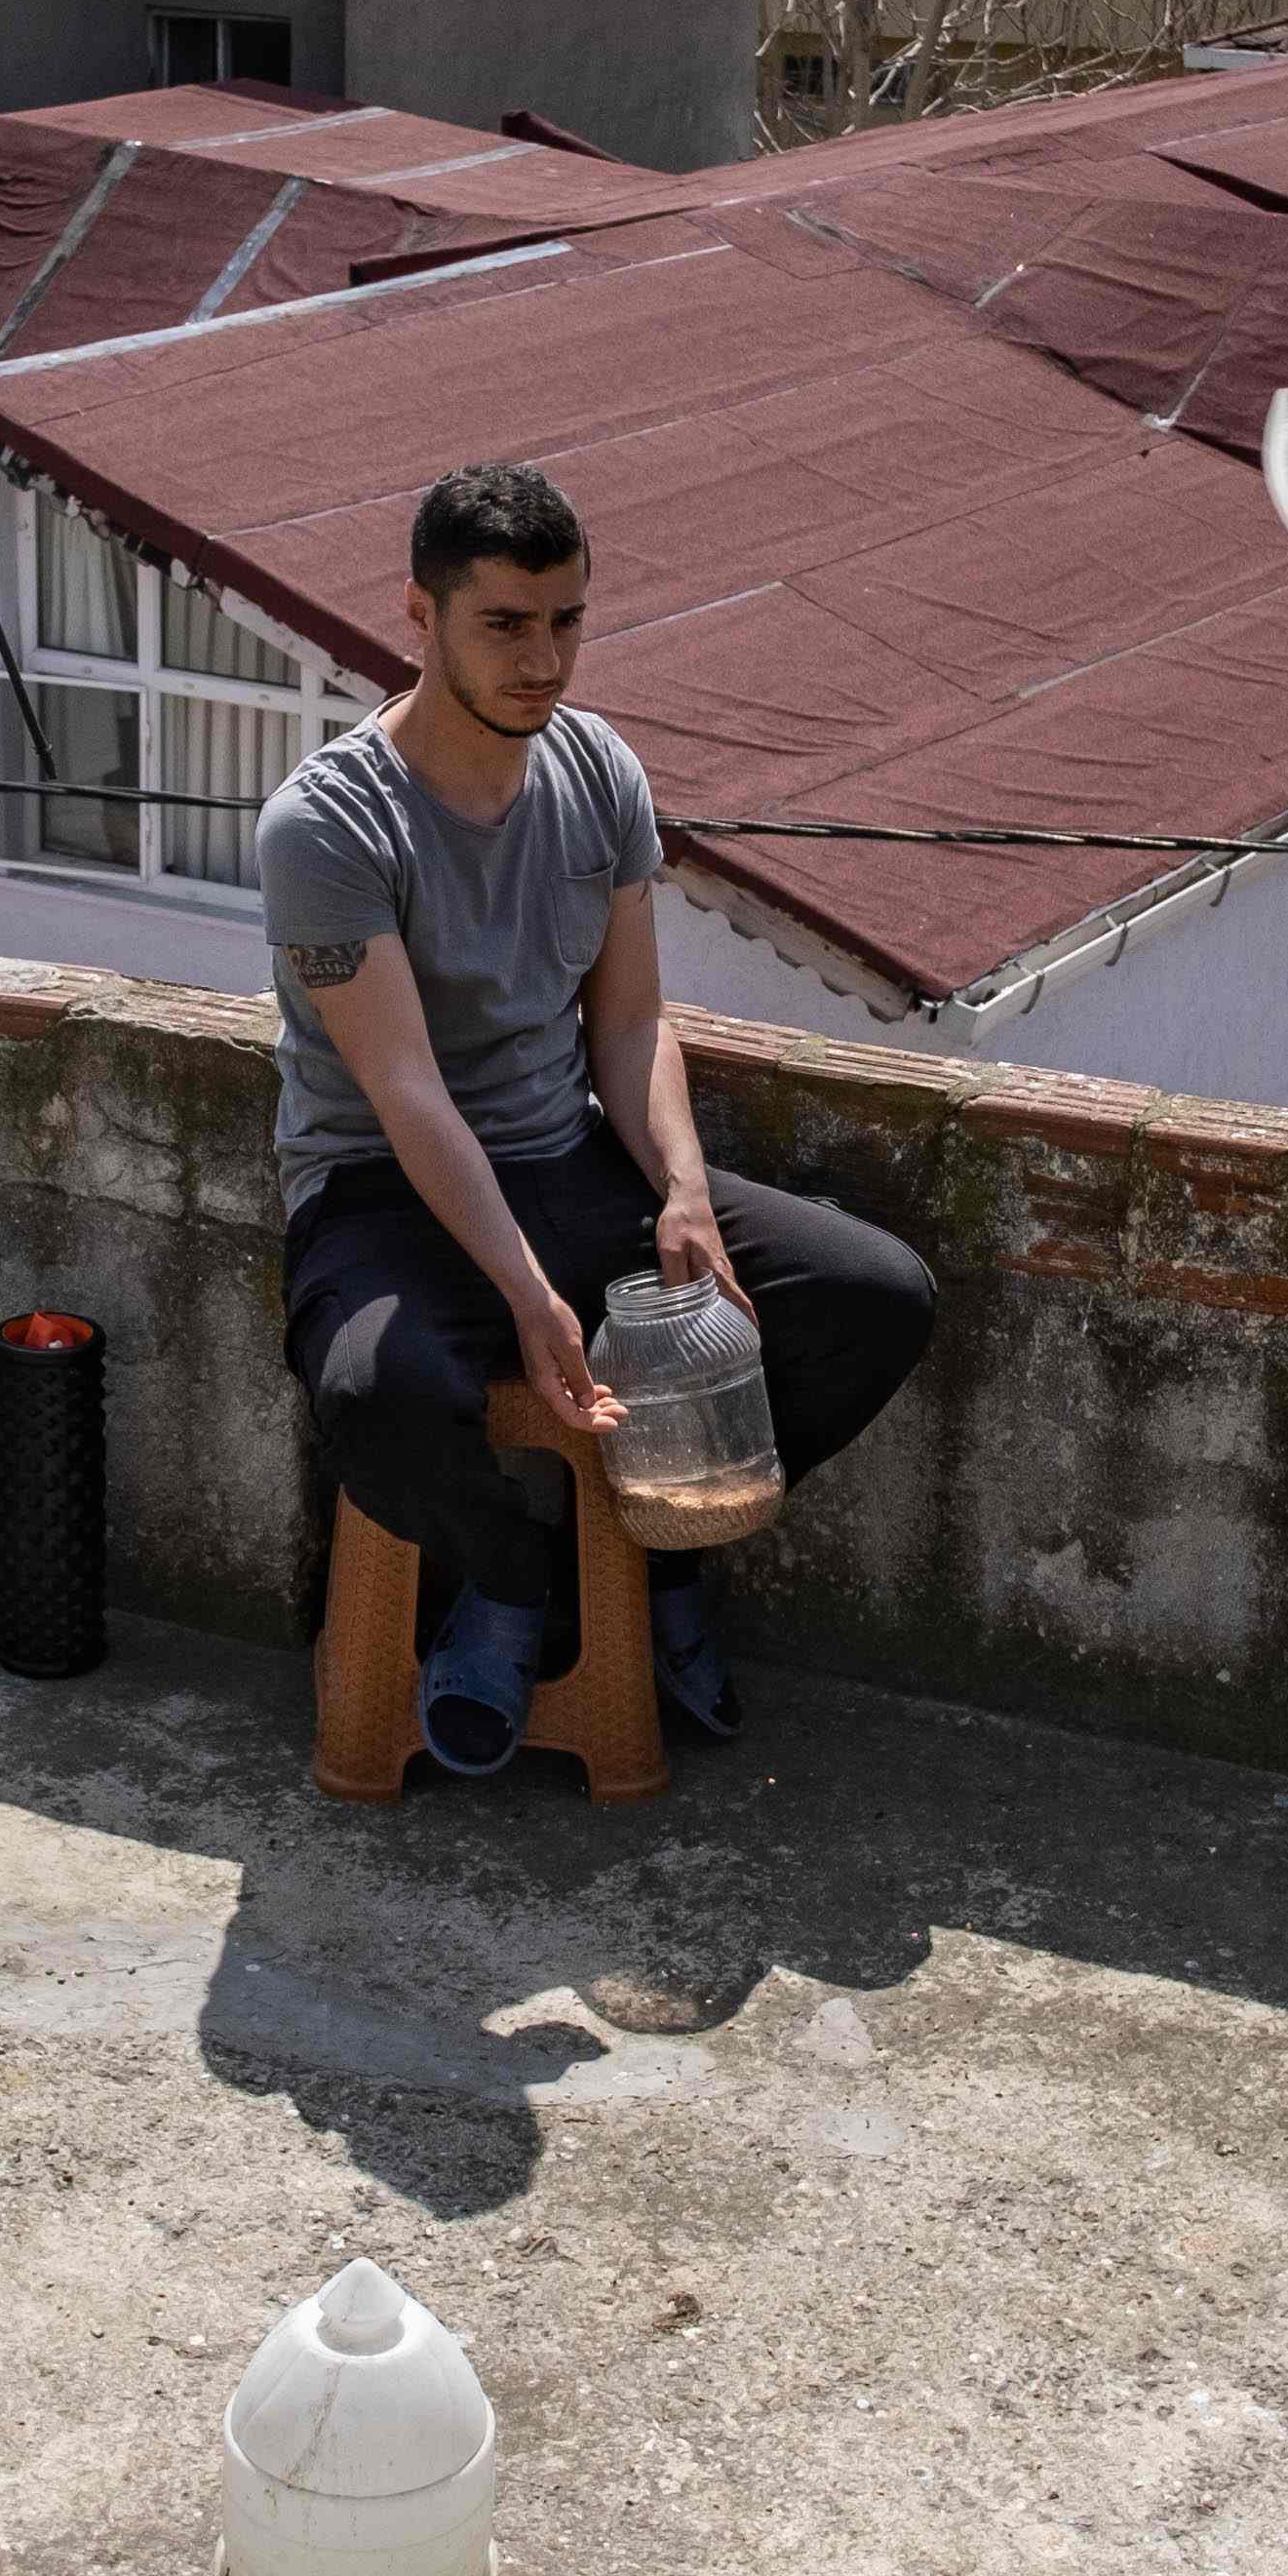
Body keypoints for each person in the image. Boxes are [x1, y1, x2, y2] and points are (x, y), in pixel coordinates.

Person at [262, 460, 935, 1767]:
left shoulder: (599, 773)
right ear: (421, 611)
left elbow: (629, 1026)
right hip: (383, 1193)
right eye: (505, 625)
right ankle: (528, 1592)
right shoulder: (328, 826)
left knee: (875, 1296)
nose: (544, 659)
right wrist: (524, 1290)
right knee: (371, 1399)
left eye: (566, 621)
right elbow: (404, 1094)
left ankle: (656, 1552)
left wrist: (681, 1187)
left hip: (569, 1164)